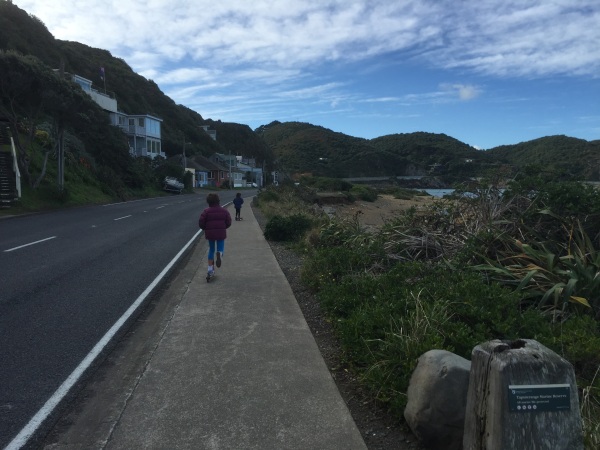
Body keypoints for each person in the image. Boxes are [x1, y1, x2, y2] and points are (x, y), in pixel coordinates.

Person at [198, 193, 232, 277]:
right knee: (220, 248)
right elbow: (228, 222)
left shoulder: (206, 211)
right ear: (218, 201)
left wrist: (205, 228)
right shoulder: (224, 211)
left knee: (211, 250)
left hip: (210, 233)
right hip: (221, 233)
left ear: (208, 202)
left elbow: (201, 222)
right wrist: (224, 227)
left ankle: (210, 270)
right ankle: (219, 254)